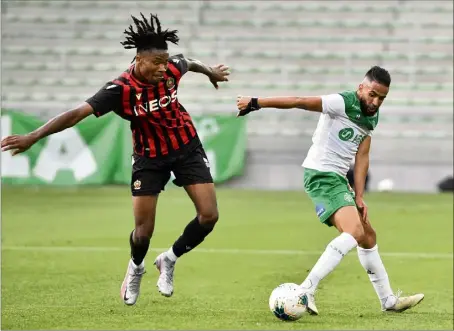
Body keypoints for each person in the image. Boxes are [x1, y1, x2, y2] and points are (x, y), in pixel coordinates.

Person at [1, 13, 230, 306]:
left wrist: (210, 71)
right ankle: (136, 267)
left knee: (209, 215)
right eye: (156, 63)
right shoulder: (119, 90)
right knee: (143, 231)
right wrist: (34, 136)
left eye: (165, 61)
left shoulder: (172, 67)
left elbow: (190, 62)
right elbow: (75, 114)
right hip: (148, 158)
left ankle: (169, 259)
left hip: (186, 147)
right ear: (138, 60)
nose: (164, 68)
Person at [236, 66, 424, 314]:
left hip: (338, 179)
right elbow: (299, 101)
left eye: (382, 98)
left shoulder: (371, 117)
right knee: (355, 231)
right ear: (361, 88)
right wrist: (256, 102)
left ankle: (387, 301)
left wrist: (359, 196)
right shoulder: (341, 102)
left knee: (368, 236)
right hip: (321, 174)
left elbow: (362, 156)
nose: (376, 101)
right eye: (373, 94)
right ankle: (306, 290)